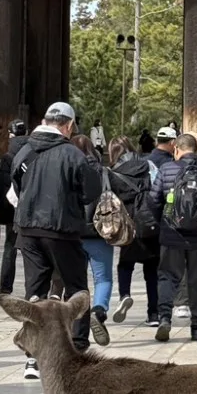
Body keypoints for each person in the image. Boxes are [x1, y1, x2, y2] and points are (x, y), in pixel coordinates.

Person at [11, 101, 100, 376]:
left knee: (34, 292)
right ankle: (79, 346)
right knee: (76, 289)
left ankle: (32, 357)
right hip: (61, 229)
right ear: (69, 125)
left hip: (27, 230)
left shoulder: (23, 151)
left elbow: (15, 186)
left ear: (44, 120)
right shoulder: (72, 154)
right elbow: (91, 190)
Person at [149, 132, 197, 343]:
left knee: (167, 276)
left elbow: (154, 200)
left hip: (172, 235)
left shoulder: (167, 170)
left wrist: (164, 222)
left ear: (176, 149)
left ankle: (165, 317)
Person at [109, 136, 160, 325]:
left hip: (127, 224)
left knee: (125, 264)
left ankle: (124, 294)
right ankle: (153, 313)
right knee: (152, 269)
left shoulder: (112, 172)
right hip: (150, 221)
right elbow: (158, 189)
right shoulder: (148, 165)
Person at [70, 134, 114, 345]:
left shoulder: (69, 169)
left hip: (75, 233)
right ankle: (99, 310)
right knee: (103, 278)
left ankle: (76, 323)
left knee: (77, 282)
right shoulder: (104, 172)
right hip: (100, 232)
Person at [0, 120, 29, 295]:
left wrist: (1, 212)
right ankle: (33, 289)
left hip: (13, 208)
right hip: (33, 208)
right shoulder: (34, 152)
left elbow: (3, 186)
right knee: (32, 251)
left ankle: (5, 288)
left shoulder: (8, 157)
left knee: (10, 248)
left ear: (10, 134)